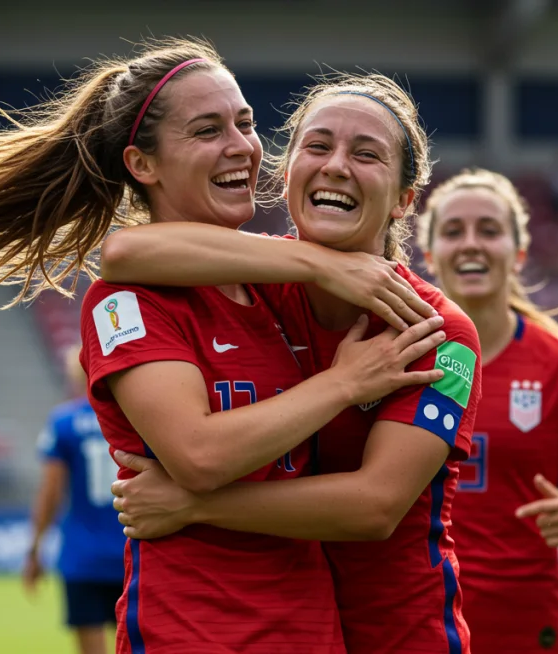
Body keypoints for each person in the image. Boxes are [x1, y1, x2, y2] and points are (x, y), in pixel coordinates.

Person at [0, 38, 440, 653]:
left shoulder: (275, 288)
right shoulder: (128, 303)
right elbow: (198, 456)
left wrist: (319, 267)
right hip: (196, 632)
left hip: (309, 631)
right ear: (143, 165)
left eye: (246, 123)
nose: (241, 146)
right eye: (207, 130)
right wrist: (341, 382)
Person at [103, 73, 483, 654]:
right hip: (290, 626)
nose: (335, 166)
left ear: (406, 199)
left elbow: (374, 506)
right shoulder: (256, 285)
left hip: (401, 633)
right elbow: (123, 254)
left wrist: (194, 504)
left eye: (366, 154)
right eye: (318, 146)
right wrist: (321, 267)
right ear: (286, 176)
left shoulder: (438, 332)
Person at [415, 168, 558, 653]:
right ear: (430, 254)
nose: (471, 243)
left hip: (523, 621)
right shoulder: (396, 352)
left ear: (518, 254)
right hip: (413, 616)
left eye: (489, 230)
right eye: (454, 231)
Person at [23, 345, 124, 654]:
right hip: (134, 553)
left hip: (83, 557)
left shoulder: (63, 422)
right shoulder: (133, 417)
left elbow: (50, 493)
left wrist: (35, 548)